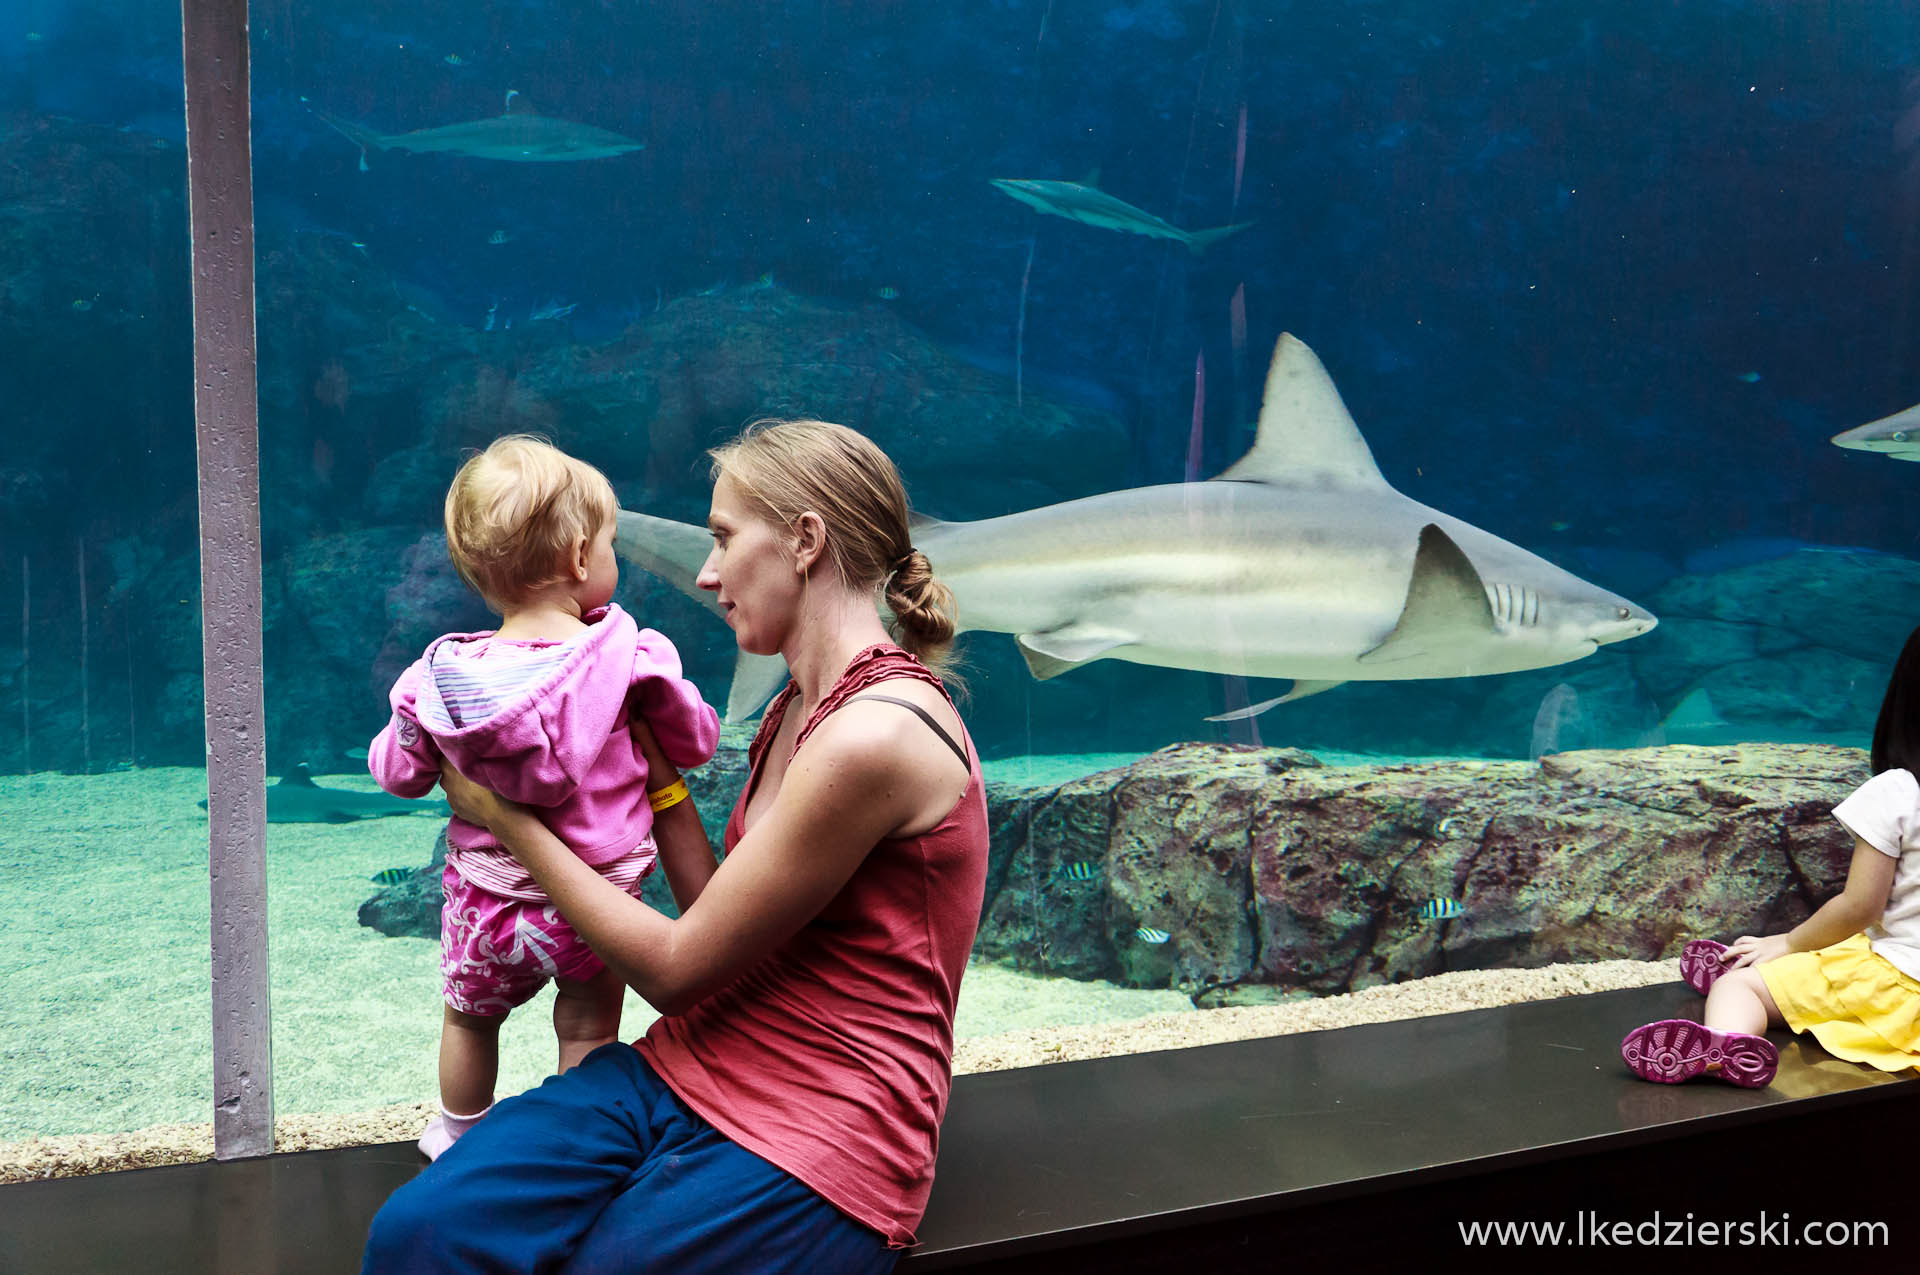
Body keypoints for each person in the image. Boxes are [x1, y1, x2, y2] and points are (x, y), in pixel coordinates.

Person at [362, 418, 989, 1274]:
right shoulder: (795, 709)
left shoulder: (873, 734)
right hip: (693, 1064)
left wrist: (511, 822)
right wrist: (656, 779)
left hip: (826, 1127)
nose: (706, 572)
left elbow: (678, 967)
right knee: (416, 1233)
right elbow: (719, 911)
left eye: (724, 539)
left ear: (805, 540)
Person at [368, 434, 721, 1159]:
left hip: (485, 901)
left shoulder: (438, 680)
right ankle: (575, 1143)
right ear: (581, 559)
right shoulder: (633, 658)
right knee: (588, 1028)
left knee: (468, 1020)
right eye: (613, 543)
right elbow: (693, 742)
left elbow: (396, 774)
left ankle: (459, 1137)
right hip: (598, 905)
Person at [1621, 624, 1920, 1088]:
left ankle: (1724, 1041)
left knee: (1739, 987)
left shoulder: (1898, 791)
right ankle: (1759, 964)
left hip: (1903, 987)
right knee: (1853, 946)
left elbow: (1861, 906)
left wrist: (1790, 942)